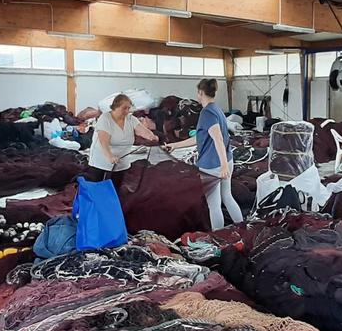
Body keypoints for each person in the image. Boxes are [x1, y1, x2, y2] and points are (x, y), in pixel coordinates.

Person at [165, 79, 244, 231]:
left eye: (198, 93)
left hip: (213, 165)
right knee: (227, 197)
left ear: (201, 93)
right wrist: (173, 145)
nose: (198, 96)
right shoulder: (217, 109)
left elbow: (218, 138)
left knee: (214, 205)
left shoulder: (207, 113)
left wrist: (222, 166)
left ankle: (220, 236)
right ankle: (242, 228)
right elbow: (198, 138)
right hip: (226, 161)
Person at [86, 93, 157, 189]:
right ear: (115, 107)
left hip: (121, 162)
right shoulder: (105, 119)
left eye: (128, 108)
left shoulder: (131, 119)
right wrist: (110, 156)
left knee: (116, 189)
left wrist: (152, 137)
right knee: (97, 189)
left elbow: (142, 130)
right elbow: (104, 141)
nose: (127, 111)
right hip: (101, 161)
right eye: (124, 108)